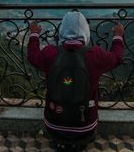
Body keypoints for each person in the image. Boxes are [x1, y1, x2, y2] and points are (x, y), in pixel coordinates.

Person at [27, 10, 124, 151]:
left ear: (62, 30)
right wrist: (118, 36)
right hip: (86, 125)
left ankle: (59, 141)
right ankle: (81, 143)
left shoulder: (51, 53)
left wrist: (34, 34)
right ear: (85, 31)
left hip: (54, 123)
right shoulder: (95, 55)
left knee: (57, 127)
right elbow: (117, 57)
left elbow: (32, 56)